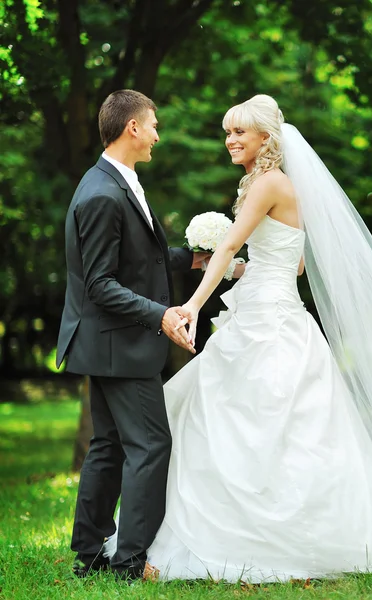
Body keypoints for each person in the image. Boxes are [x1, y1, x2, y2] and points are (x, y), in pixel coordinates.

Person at [108, 94, 372, 582]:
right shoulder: (276, 183)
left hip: (265, 325)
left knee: (237, 422)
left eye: (239, 132)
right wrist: (246, 270)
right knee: (258, 424)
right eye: (227, 132)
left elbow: (235, 242)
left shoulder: (268, 182)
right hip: (277, 315)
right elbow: (293, 262)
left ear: (266, 138)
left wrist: (191, 305)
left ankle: (228, 541)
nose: (230, 140)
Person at [56, 89, 208, 580]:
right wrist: (161, 316)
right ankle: (128, 562)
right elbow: (101, 284)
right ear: (133, 128)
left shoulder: (116, 181)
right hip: (117, 343)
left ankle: (90, 554)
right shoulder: (102, 194)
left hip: (107, 342)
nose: (158, 134)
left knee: (110, 444)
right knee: (149, 445)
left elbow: (138, 261)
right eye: (154, 124)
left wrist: (192, 259)